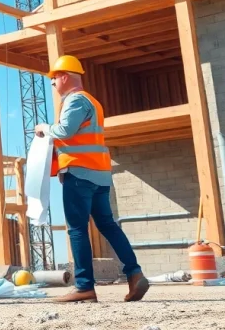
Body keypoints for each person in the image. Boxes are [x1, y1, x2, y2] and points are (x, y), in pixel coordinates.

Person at [36, 55, 149, 303]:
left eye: (53, 79)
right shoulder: (94, 102)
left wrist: (45, 127)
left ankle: (85, 286)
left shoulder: (75, 100)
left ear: (64, 76)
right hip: (99, 175)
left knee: (77, 229)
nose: (52, 84)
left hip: (79, 173)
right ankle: (134, 273)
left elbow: (65, 131)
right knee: (107, 225)